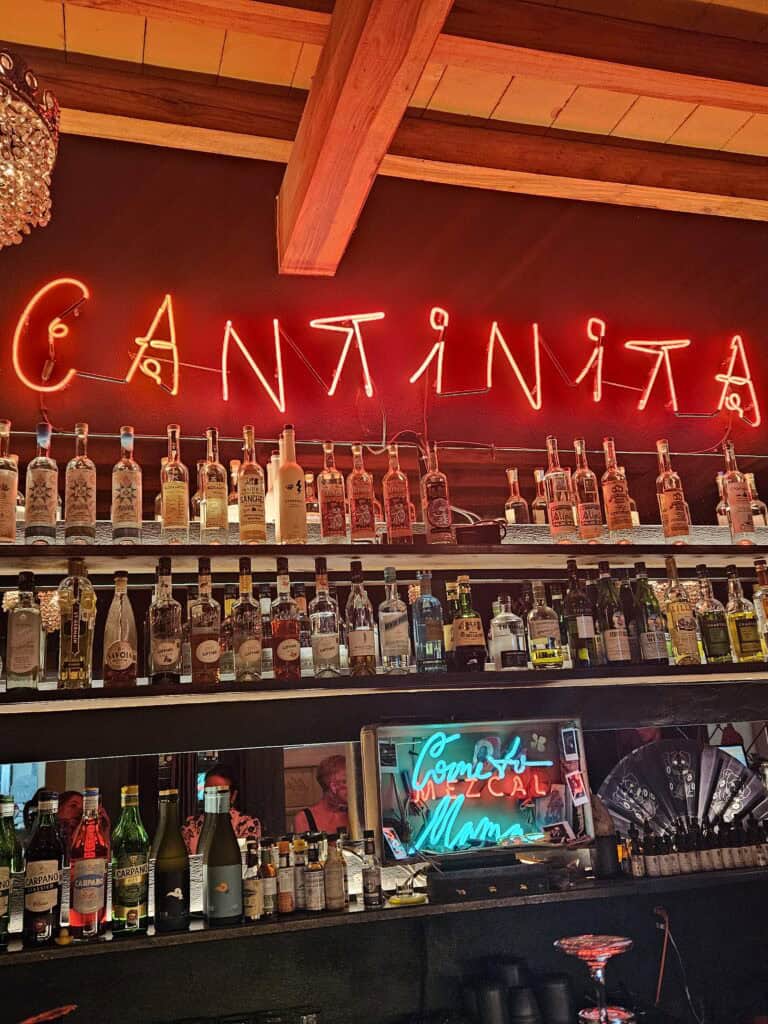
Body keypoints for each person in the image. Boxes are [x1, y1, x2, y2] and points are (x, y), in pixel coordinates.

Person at [182, 764, 261, 854]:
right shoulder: (191, 825)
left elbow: (247, 860)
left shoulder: (247, 823)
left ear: (233, 796)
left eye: (219, 792)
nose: (212, 797)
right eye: (208, 792)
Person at [293, 754, 349, 836]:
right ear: (332, 785)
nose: (352, 787)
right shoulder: (305, 818)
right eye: (345, 781)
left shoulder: (358, 813)